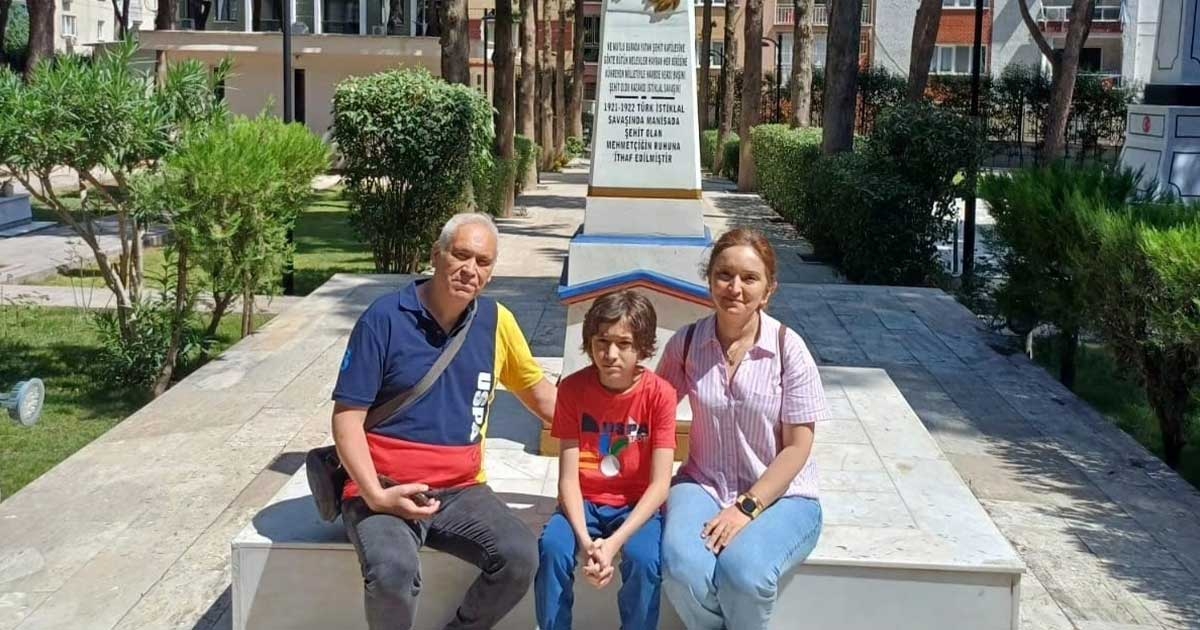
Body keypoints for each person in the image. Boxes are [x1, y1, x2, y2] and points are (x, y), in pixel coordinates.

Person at [331, 212, 557, 630]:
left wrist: (608, 424)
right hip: (384, 486)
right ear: (437, 255)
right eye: (461, 255)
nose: (470, 269)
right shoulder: (384, 319)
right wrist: (377, 496)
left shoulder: (496, 322)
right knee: (393, 571)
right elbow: (346, 419)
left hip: (462, 490)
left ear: (491, 272)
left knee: (521, 556)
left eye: (483, 262)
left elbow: (541, 396)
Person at [656, 228, 829, 630]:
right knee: (681, 567)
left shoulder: (788, 349)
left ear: (768, 290)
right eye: (724, 275)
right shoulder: (686, 345)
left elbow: (798, 448)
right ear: (709, 281)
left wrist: (746, 507)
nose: (734, 288)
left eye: (749, 278)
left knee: (744, 574)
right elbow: (652, 415)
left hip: (784, 495)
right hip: (703, 484)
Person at [535, 290, 677, 630]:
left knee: (645, 559)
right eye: (602, 341)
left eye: (624, 344)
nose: (610, 354)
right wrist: (587, 543)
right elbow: (568, 479)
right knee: (552, 548)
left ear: (642, 347)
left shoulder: (660, 394)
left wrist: (613, 544)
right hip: (583, 503)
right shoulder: (572, 390)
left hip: (636, 506)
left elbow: (660, 485)